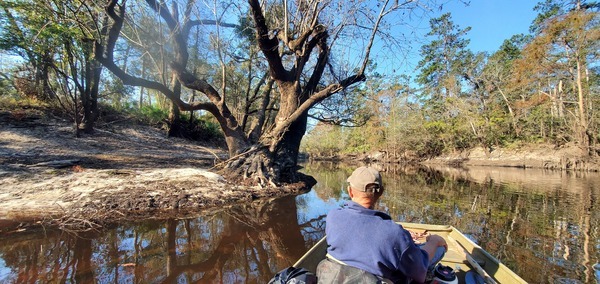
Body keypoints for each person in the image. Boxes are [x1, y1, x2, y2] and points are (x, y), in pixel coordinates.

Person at [318, 166, 447, 283]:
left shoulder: (333, 216)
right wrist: (434, 241)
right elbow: (419, 273)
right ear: (381, 193)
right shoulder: (394, 232)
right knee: (439, 250)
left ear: (350, 191)